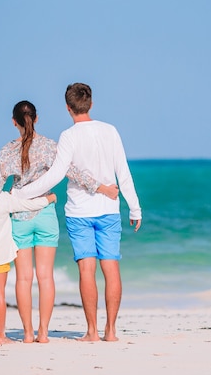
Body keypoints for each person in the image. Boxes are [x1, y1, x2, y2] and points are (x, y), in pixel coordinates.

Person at [0, 100, 118, 343]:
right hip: (45, 214)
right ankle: (43, 333)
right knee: (45, 277)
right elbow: (74, 173)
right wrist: (103, 188)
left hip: (20, 218)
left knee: (24, 278)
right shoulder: (50, 147)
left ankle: (27, 334)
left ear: (14, 122)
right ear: (36, 119)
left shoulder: (7, 151)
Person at [12, 82, 142, 342]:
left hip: (79, 212)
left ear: (68, 108)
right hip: (109, 210)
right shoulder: (110, 131)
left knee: (86, 271)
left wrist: (22, 194)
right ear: (90, 103)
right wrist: (134, 207)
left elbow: (56, 175)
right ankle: (111, 331)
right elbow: (123, 171)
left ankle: (92, 331)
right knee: (111, 267)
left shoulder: (69, 136)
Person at [0, 155, 56, 345]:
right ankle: (1, 336)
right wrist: (48, 200)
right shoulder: (5, 199)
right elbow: (27, 205)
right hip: (0, 257)